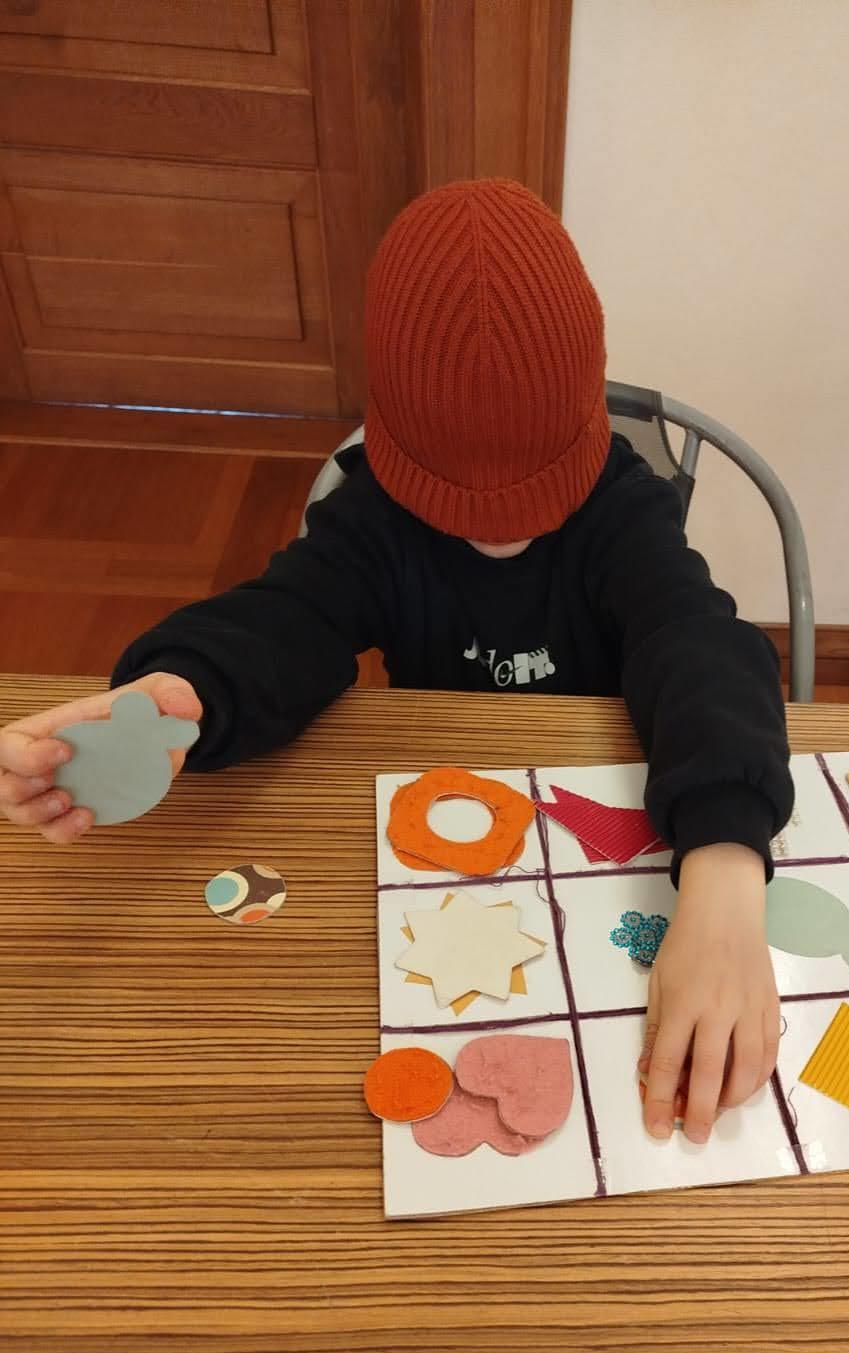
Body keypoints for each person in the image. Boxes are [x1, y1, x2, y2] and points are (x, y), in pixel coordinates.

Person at [0, 179, 794, 1146]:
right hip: (443, 838)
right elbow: (287, 620)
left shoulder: (624, 512)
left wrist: (724, 868)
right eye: (460, 506)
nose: (500, 534)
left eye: (537, 497)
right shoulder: (373, 519)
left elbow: (700, 643)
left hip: (600, 823)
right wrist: (188, 690)